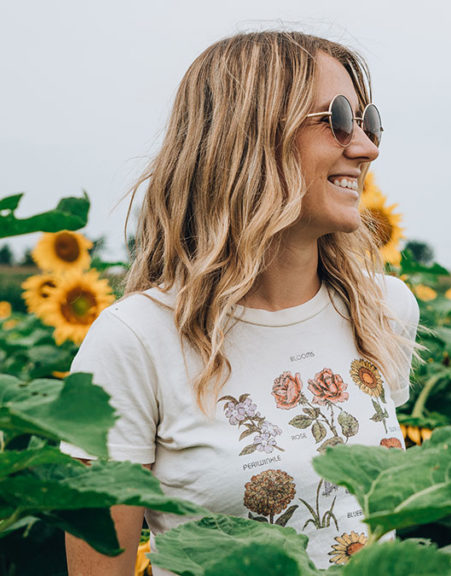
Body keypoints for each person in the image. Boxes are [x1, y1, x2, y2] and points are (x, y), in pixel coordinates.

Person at [61, 30, 420, 575]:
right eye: (340, 119)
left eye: (369, 121)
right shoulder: (134, 340)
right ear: (247, 137)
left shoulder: (384, 309)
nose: (367, 147)